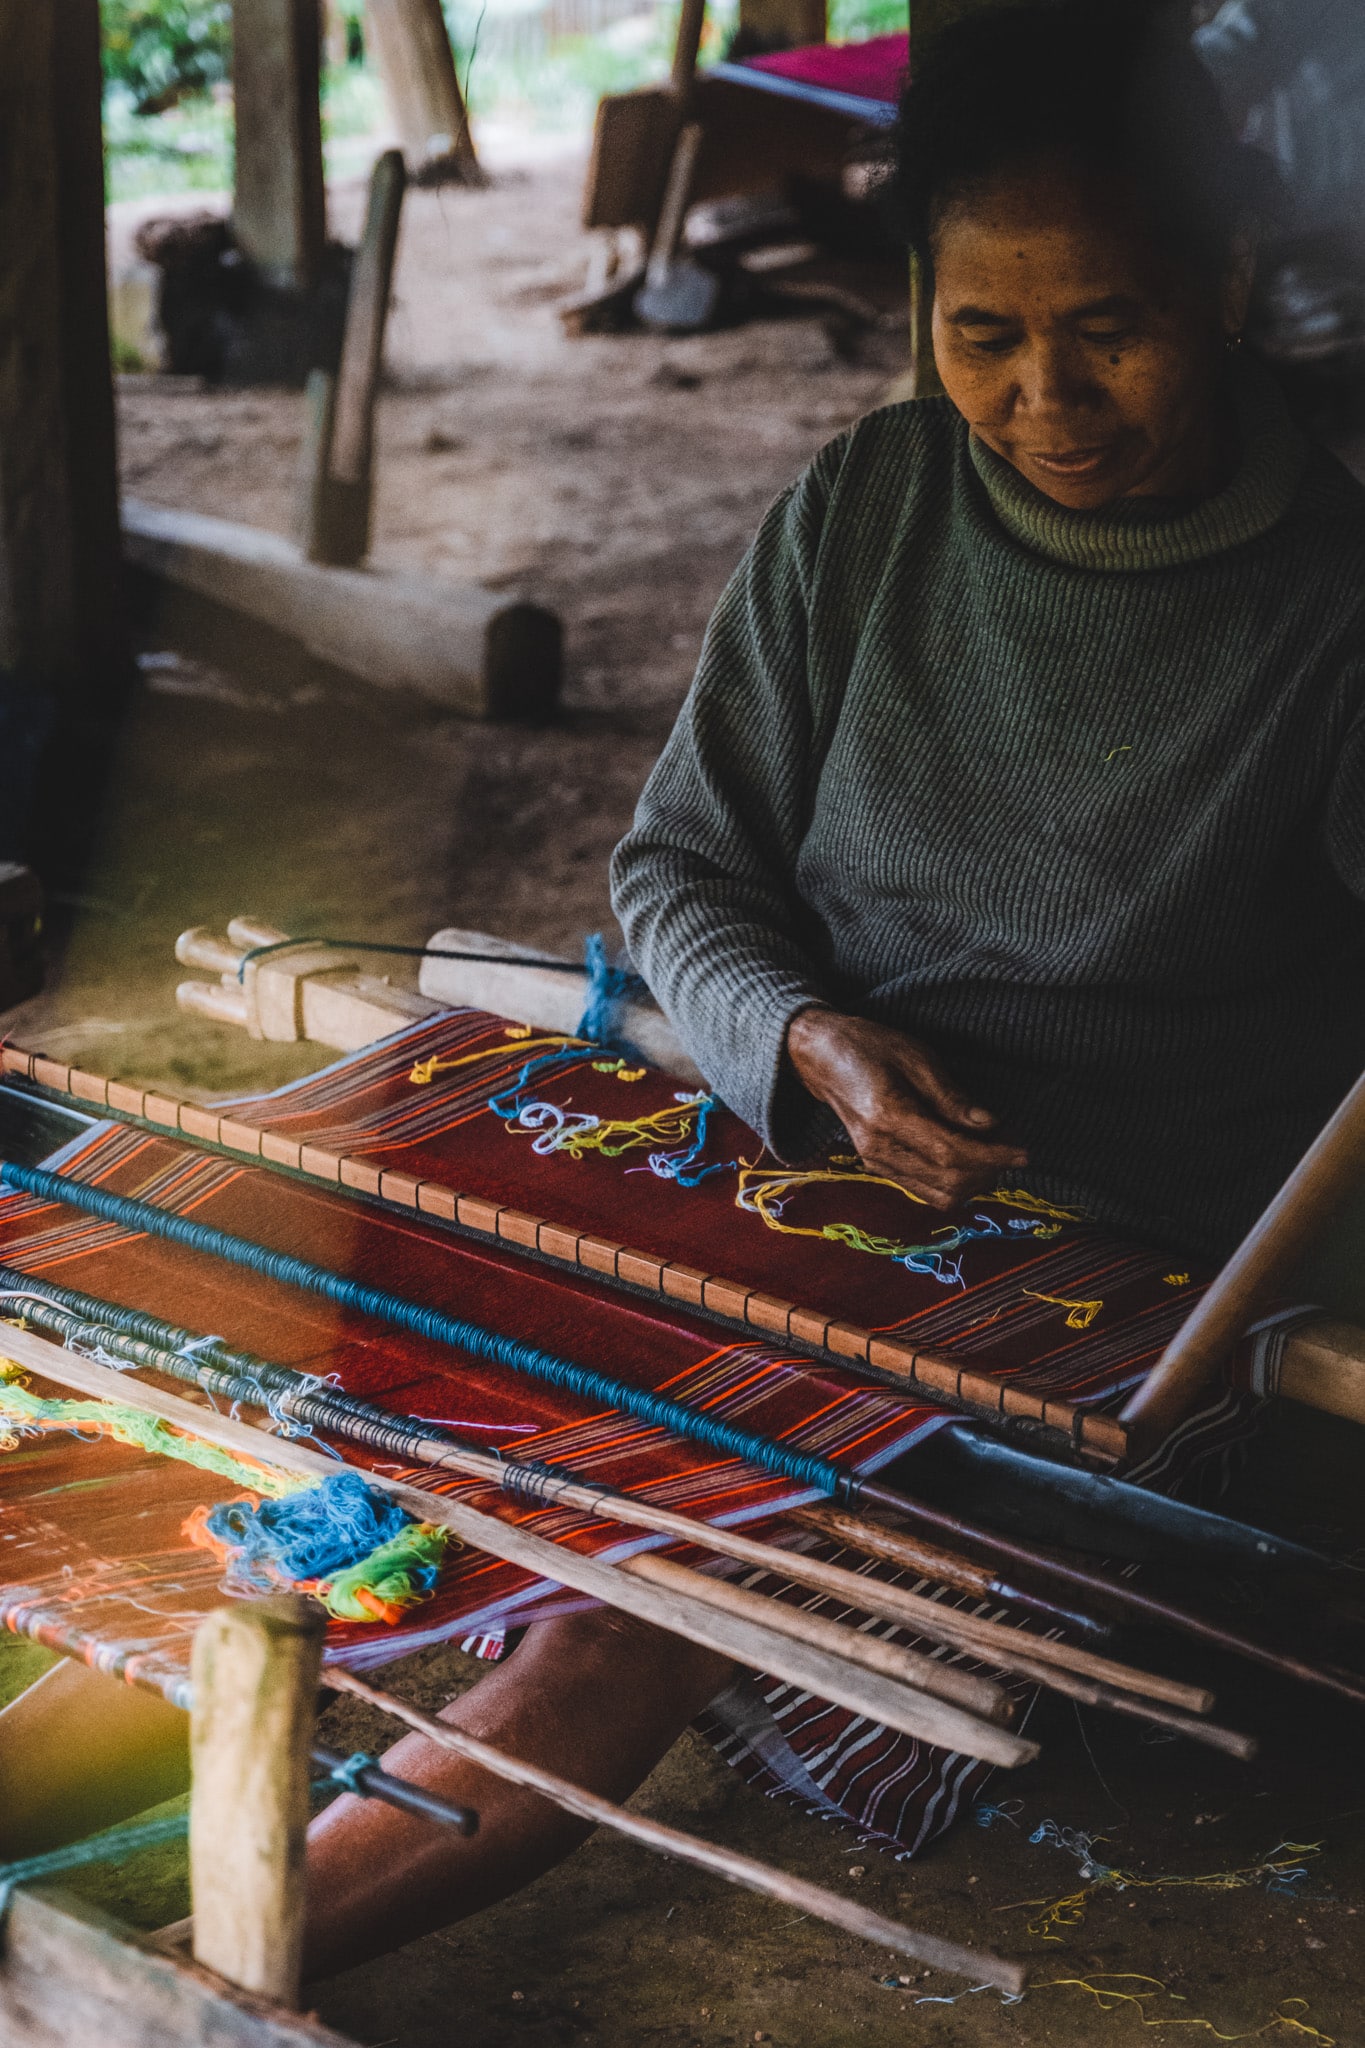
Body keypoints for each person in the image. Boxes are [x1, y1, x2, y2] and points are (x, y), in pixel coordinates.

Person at [304, 1, 1365, 1971]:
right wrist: (796, 1033)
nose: (1045, 393)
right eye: (983, 333)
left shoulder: (1328, 610)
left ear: (1221, 282)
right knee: (359, 1462)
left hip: (1083, 1303)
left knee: (639, 1576)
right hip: (778, 1175)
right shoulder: (863, 514)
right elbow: (680, 869)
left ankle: (212, 1944)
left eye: (1106, 324)